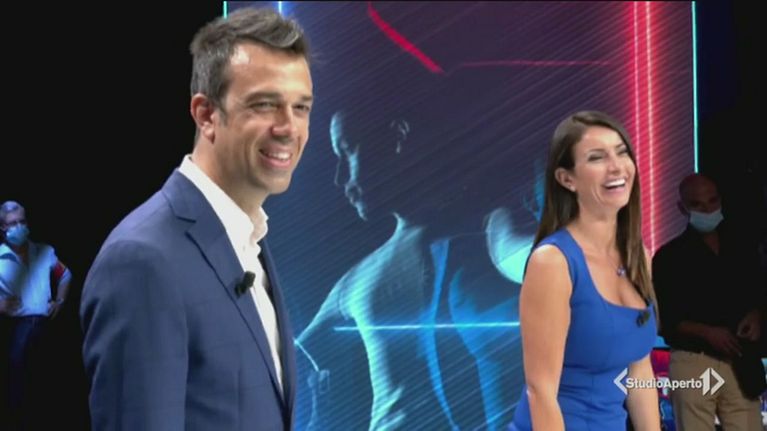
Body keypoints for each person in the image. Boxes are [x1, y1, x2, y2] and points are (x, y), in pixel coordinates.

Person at [80, 7, 313, 430]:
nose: (288, 127)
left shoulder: (249, 240)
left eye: (301, 107)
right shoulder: (141, 260)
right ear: (206, 115)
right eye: (265, 105)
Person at [296, 106, 461, 430]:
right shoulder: (358, 279)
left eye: (347, 150)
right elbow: (295, 359)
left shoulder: (484, 230)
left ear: (397, 136)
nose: (339, 178)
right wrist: (318, 419)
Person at [510, 111, 660, 430]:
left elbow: (639, 372)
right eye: (597, 157)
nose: (616, 167)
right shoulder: (553, 262)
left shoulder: (639, 257)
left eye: (621, 152)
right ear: (567, 179)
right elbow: (541, 392)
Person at [653, 173, 765, 431]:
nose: (707, 209)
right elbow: (667, 319)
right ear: (682, 208)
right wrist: (707, 332)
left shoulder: (742, 246)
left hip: (740, 360)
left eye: (713, 201)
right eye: (697, 204)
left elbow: (758, 293)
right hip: (693, 360)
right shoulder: (669, 257)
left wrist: (757, 316)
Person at [0, 200, 72, 430]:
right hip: (13, 329)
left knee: (46, 390)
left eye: (22, 221)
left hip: (46, 326)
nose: (18, 227)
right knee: (17, 393)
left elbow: (65, 275)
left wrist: (60, 301)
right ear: (3, 227)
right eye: (12, 223)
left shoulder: (44, 251)